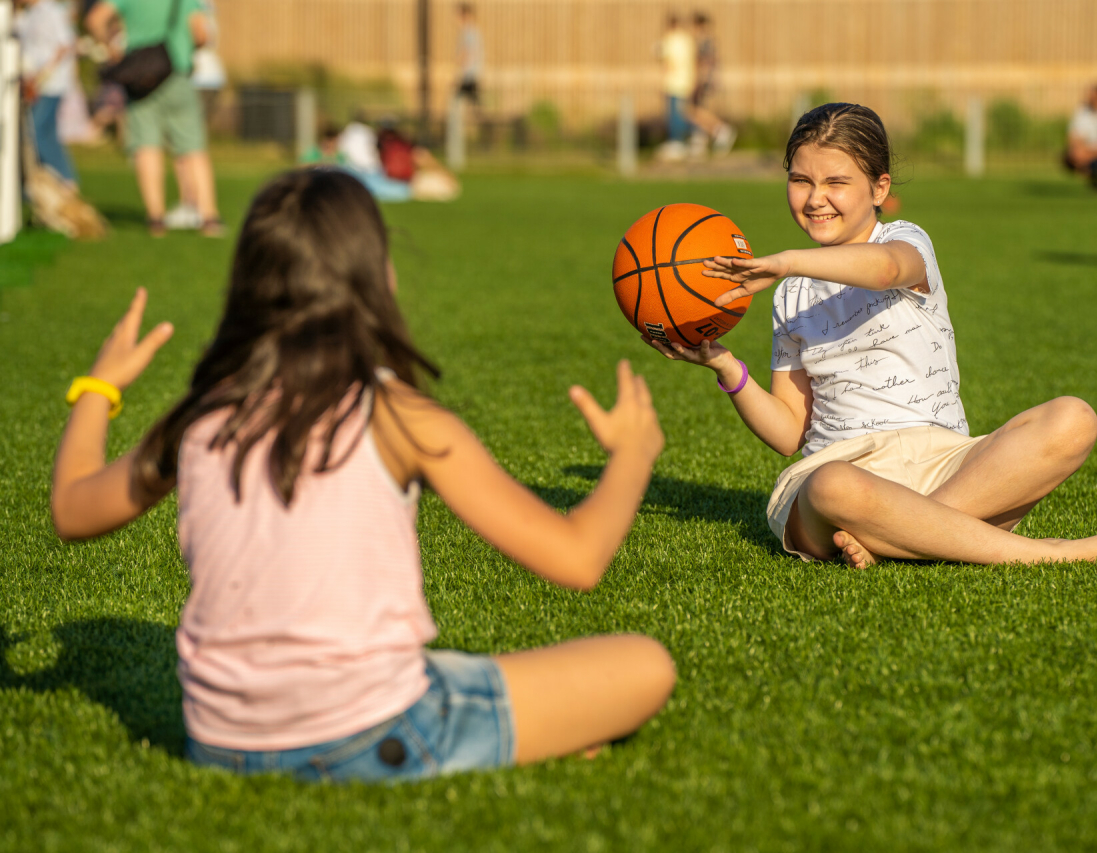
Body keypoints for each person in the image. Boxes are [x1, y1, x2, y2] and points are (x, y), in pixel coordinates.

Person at [48, 168, 675, 782]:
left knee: (455, 670)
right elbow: (578, 557)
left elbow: (73, 510)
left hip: (218, 745)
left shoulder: (203, 415)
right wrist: (632, 454)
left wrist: (99, 389)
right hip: (380, 734)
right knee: (645, 664)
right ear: (377, 277)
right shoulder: (399, 417)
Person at [647, 103, 1097, 568]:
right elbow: (788, 433)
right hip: (845, 474)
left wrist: (783, 261)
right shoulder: (789, 295)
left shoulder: (906, 241)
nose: (816, 198)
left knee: (1072, 419)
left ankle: (902, 534)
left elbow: (887, 269)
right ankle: (1041, 553)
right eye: (801, 180)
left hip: (945, 462)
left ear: (880, 189)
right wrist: (725, 367)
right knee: (830, 487)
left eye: (836, 182)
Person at [85, 0, 223, 237]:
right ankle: (209, 218)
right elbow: (200, 34)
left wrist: (110, 48)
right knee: (192, 148)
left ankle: (156, 219)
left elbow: (94, 20)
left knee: (147, 146)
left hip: (139, 77)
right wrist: (187, 46)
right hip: (176, 72)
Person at [165, 0, 225, 230]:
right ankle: (195, 205)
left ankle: (192, 205)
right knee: (190, 144)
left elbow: (200, 37)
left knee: (185, 145)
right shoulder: (205, 6)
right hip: (210, 78)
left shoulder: (189, 5)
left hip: (195, 78)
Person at [15, 0, 79, 184]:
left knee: (37, 131)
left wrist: (42, 75)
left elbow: (65, 45)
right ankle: (46, 182)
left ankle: (65, 180)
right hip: (33, 84)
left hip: (52, 83)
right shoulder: (28, 15)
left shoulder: (52, 11)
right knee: (41, 132)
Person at [685, 12, 735, 158]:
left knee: (694, 110)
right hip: (706, 79)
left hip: (704, 80)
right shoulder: (707, 41)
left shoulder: (704, 42)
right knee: (696, 110)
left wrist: (699, 81)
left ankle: (721, 130)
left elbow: (705, 63)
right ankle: (702, 139)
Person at [656, 13, 696, 161]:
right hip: (686, 81)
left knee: (674, 114)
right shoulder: (687, 39)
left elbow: (667, 62)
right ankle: (692, 139)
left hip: (673, 82)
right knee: (684, 112)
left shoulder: (669, 39)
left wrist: (662, 81)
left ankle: (677, 143)